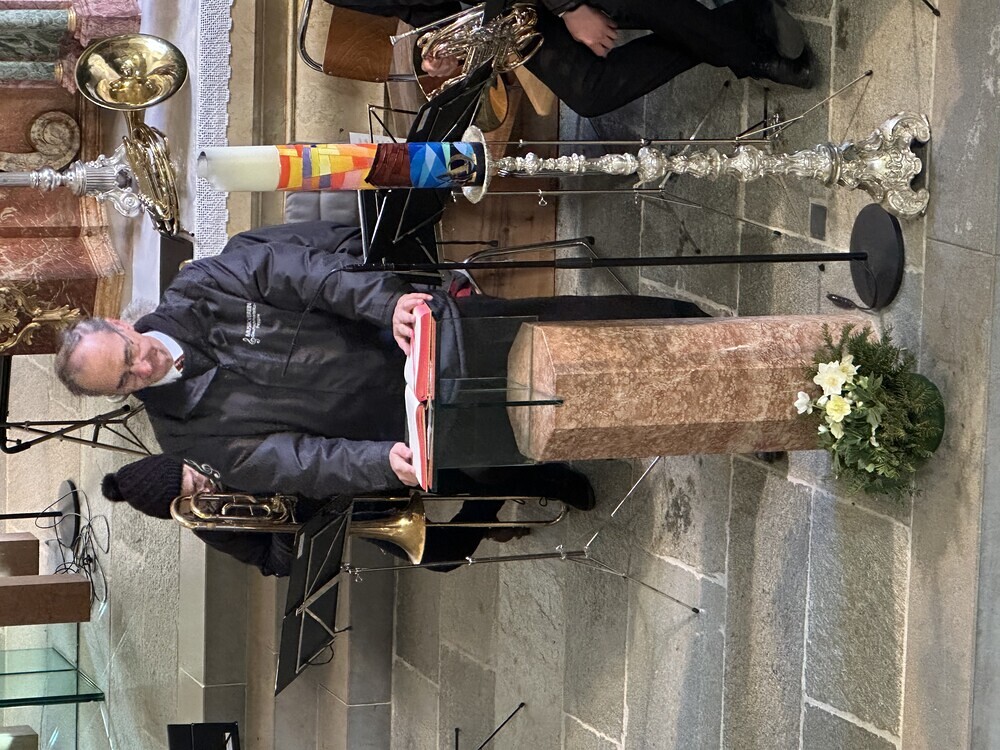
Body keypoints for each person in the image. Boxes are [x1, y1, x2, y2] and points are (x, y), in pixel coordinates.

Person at [54, 220, 705, 503]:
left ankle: (690, 329)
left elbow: (304, 273)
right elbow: (294, 461)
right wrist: (377, 463)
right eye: (126, 378)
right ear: (115, 394)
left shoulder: (200, 287)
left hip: (412, 334)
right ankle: (699, 418)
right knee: (544, 428)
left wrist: (384, 303)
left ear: (121, 323)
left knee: (567, 330)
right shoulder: (186, 437)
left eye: (130, 352)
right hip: (404, 419)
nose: (143, 367)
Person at [101, 454, 574, 577]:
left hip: (352, 470)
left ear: (184, 463)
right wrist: (287, 523)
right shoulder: (210, 523)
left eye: (194, 478)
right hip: (345, 513)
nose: (206, 489)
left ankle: (540, 480)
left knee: (445, 475)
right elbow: (273, 564)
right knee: (442, 557)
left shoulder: (221, 449)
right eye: (193, 495)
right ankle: (493, 498)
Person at [328, 0, 813, 118]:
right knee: (588, 93)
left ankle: (749, 52)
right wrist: (441, 52)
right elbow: (421, 9)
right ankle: (742, 20)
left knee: (635, 3)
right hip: (506, 6)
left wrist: (570, 8)